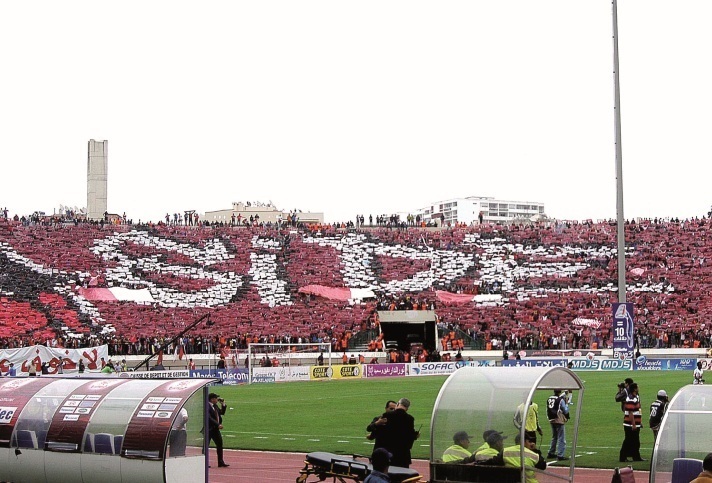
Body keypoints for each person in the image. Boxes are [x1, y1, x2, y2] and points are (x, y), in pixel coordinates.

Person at [380, 398, 419, 468]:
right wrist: (415, 436)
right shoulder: (410, 419)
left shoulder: (387, 415)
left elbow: (381, 432)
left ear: (397, 404)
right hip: (403, 454)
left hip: (389, 452)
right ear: (407, 408)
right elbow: (410, 436)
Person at [620, 383, 644, 462]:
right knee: (628, 440)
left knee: (636, 441)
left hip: (635, 423)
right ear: (634, 389)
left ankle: (636, 456)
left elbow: (637, 411)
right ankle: (623, 457)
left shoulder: (636, 397)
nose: (639, 388)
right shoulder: (630, 398)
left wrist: (639, 422)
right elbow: (630, 412)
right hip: (629, 424)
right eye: (637, 387)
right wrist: (633, 424)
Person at [546, 390, 570, 461]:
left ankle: (551, 452)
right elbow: (565, 410)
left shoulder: (549, 398)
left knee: (554, 437)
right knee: (561, 438)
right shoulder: (560, 400)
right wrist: (566, 404)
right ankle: (560, 455)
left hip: (551, 419)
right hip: (558, 419)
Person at [208, 392, 229, 467]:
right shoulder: (207, 406)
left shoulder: (215, 406)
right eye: (216, 398)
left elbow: (221, 412)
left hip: (215, 429)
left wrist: (223, 404)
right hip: (209, 429)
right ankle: (204, 462)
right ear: (212, 399)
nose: (217, 399)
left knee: (220, 444)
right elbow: (209, 418)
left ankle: (220, 462)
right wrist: (218, 424)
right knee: (206, 446)